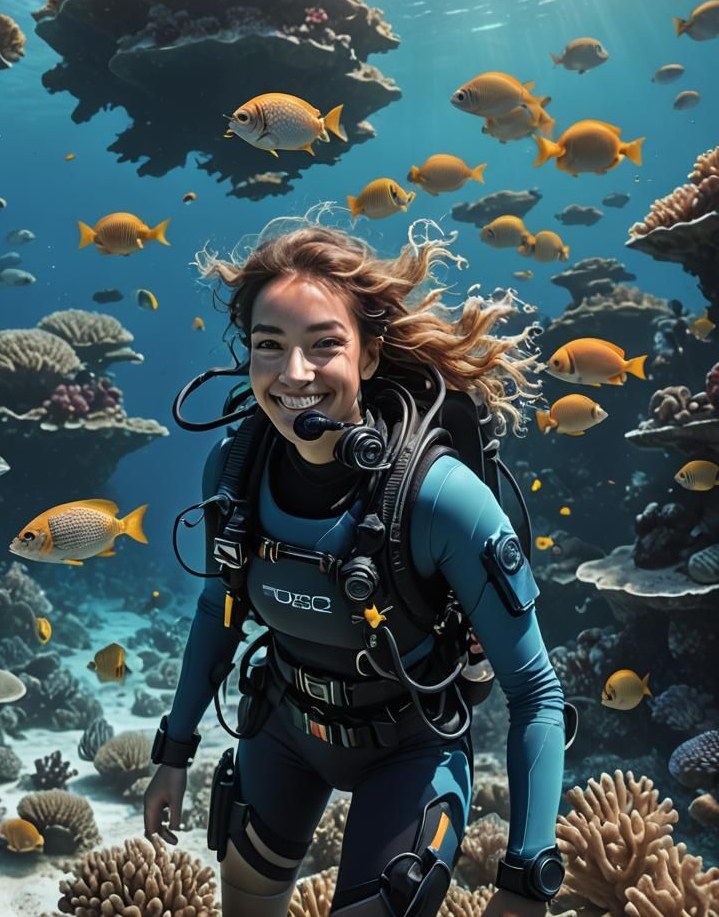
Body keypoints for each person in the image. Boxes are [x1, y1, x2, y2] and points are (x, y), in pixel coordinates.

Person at [143, 224, 570, 917]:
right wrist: (175, 751)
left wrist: (525, 880)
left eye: (324, 344)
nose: (294, 374)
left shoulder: (441, 497)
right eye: (269, 346)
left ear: (369, 355)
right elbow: (214, 611)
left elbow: (536, 693)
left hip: (412, 748)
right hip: (282, 727)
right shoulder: (232, 469)